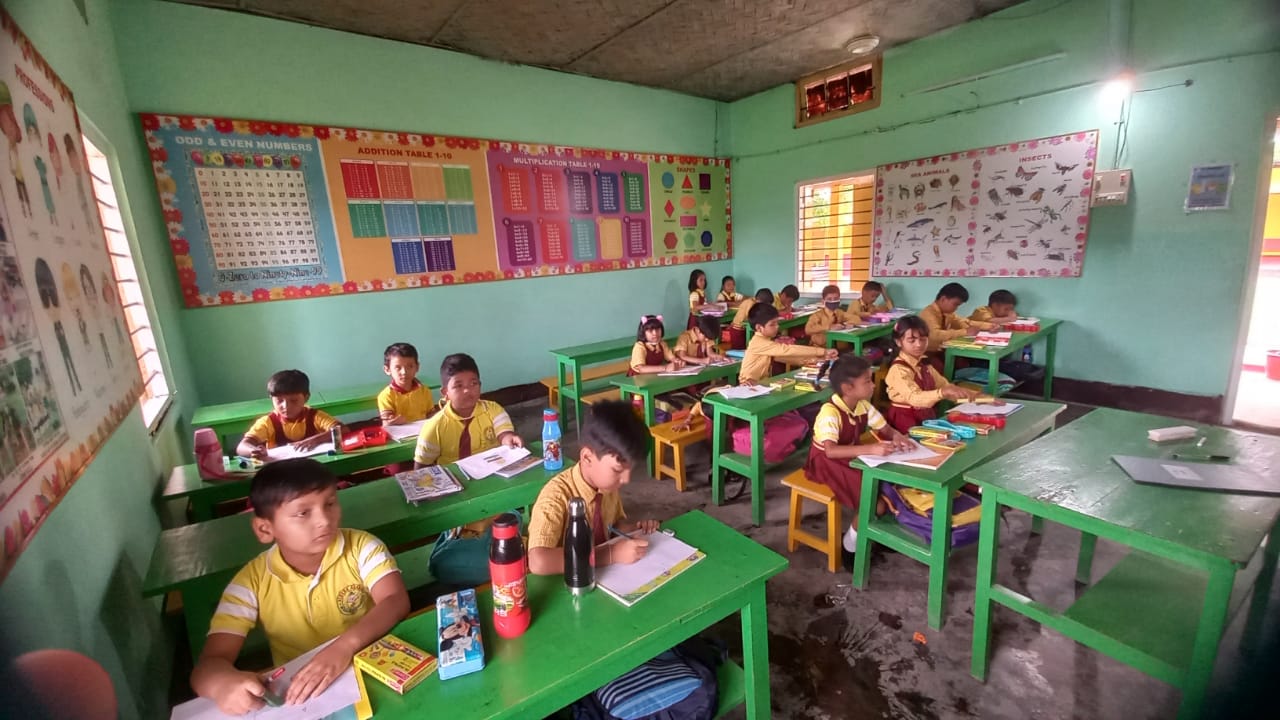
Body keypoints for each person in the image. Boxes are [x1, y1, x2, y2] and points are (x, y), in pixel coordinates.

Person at [192, 459, 408, 714]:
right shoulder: (251, 582)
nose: (324, 520)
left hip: (376, 665)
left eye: (330, 503)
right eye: (303, 513)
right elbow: (207, 667)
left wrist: (343, 648)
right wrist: (223, 685)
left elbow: (395, 600)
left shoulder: (361, 547)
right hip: (303, 694)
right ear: (264, 529)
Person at [526, 400, 661, 575]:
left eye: (630, 470)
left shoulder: (607, 486)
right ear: (587, 457)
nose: (626, 479)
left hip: (603, 577)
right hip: (568, 581)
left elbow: (612, 525)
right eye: (618, 470)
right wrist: (610, 554)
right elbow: (539, 562)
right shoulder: (556, 496)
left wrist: (634, 529)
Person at [804, 356, 913, 568]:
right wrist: (870, 449)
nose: (873, 385)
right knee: (874, 501)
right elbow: (830, 451)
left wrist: (899, 437)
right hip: (826, 463)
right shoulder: (830, 412)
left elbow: (885, 428)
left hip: (850, 457)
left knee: (889, 485)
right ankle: (849, 547)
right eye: (867, 381)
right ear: (848, 388)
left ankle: (874, 534)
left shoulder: (862, 405)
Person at [414, 353, 521, 468]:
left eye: (473, 384)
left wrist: (509, 438)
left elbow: (504, 434)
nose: (467, 390)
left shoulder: (494, 410)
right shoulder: (434, 427)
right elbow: (421, 468)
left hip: (492, 472)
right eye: (458, 386)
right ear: (445, 392)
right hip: (455, 477)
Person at [883, 316, 977, 432]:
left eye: (923, 339)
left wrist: (979, 397)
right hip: (904, 420)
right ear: (898, 342)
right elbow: (914, 398)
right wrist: (942, 392)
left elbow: (945, 386)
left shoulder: (924, 364)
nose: (918, 344)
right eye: (911, 341)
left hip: (925, 416)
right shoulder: (898, 370)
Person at [237, 370, 340, 460]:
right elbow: (242, 447)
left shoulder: (314, 416)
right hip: (282, 470)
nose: (286, 406)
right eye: (279, 401)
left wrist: (314, 440)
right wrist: (253, 450)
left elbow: (341, 429)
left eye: (294, 400)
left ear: (306, 398)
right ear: (271, 399)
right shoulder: (268, 422)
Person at [741, 303, 835, 384]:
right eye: (772, 324)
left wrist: (818, 360)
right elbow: (788, 350)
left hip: (761, 384)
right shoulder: (758, 342)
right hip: (748, 384)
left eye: (777, 323)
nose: (777, 326)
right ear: (759, 328)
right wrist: (823, 351)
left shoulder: (768, 342)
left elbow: (789, 358)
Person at [919, 282, 995, 352]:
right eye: (955, 304)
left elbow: (965, 322)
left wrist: (989, 326)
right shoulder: (928, 313)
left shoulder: (948, 314)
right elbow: (935, 335)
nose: (956, 308)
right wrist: (965, 332)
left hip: (942, 349)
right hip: (927, 352)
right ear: (943, 299)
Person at [376, 342, 435, 426]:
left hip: (423, 431)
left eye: (410, 366)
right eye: (398, 368)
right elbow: (386, 424)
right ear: (387, 370)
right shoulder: (386, 396)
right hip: (399, 433)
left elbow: (431, 415)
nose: (404, 372)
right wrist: (393, 421)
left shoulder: (424, 391)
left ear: (417, 367)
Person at [804, 284, 858, 349]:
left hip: (840, 348)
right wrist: (829, 327)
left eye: (836, 299)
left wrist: (847, 324)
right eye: (829, 299)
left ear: (839, 300)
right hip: (822, 348)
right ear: (823, 301)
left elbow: (856, 318)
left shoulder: (840, 312)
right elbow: (808, 329)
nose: (833, 301)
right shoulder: (817, 315)